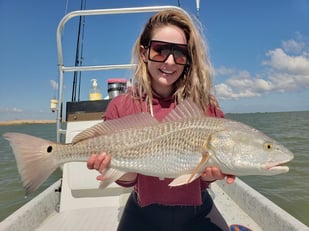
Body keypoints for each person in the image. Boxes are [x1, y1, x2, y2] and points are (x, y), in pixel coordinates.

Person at [87, 8, 235, 231]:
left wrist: (210, 175)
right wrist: (111, 167)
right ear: (144, 52)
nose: (170, 61)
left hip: (197, 210)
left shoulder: (206, 106)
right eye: (160, 50)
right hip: (142, 211)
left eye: (180, 53)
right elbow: (128, 180)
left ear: (189, 58)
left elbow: (203, 180)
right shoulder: (121, 106)